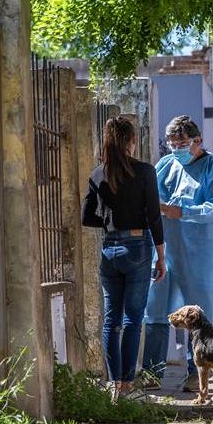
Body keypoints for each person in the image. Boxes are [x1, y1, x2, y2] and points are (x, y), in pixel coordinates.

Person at [142, 115, 213, 391]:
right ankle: (152, 372)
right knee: (156, 311)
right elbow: (150, 200)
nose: (177, 148)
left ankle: (199, 373)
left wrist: (182, 212)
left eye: (182, 143)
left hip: (198, 252)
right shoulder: (166, 165)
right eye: (172, 143)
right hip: (166, 250)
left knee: (199, 315)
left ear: (198, 140)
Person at [82, 116, 166, 401]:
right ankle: (128, 387)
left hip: (109, 248)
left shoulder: (97, 174)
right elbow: (154, 215)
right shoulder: (145, 171)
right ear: (132, 141)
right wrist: (162, 256)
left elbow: (86, 217)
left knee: (110, 321)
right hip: (138, 246)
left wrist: (109, 221)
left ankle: (114, 386)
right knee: (133, 319)